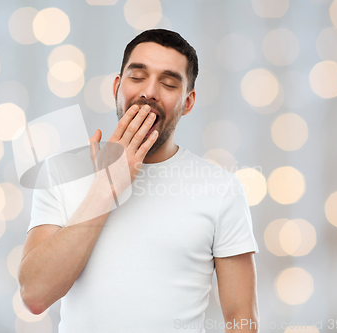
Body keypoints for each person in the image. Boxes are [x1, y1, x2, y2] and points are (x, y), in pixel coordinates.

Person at [18, 29, 260, 333]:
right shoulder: (61, 172)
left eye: (169, 83)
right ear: (117, 87)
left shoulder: (221, 189)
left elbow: (242, 319)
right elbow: (34, 296)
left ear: (187, 102)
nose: (150, 92)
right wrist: (105, 189)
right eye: (137, 77)